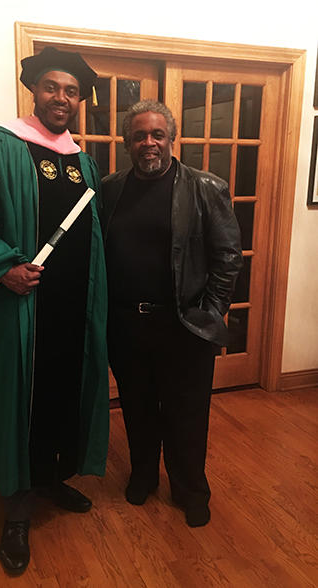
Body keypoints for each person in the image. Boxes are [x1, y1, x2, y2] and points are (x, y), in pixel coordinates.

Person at [0, 47, 109, 576]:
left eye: (71, 90)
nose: (62, 97)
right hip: (20, 306)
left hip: (73, 304)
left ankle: (53, 478)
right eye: (52, 86)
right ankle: (17, 512)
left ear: (79, 100)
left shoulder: (83, 160)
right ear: (34, 89)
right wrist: (3, 268)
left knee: (62, 390)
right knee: (21, 400)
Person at [101, 99, 242, 528]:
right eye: (140, 135)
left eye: (157, 135)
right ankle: (143, 475)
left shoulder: (206, 188)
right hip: (126, 325)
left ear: (171, 139)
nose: (149, 143)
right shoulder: (110, 189)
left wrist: (212, 313)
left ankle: (189, 489)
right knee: (138, 408)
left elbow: (228, 257)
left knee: (186, 414)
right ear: (128, 141)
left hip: (184, 325)